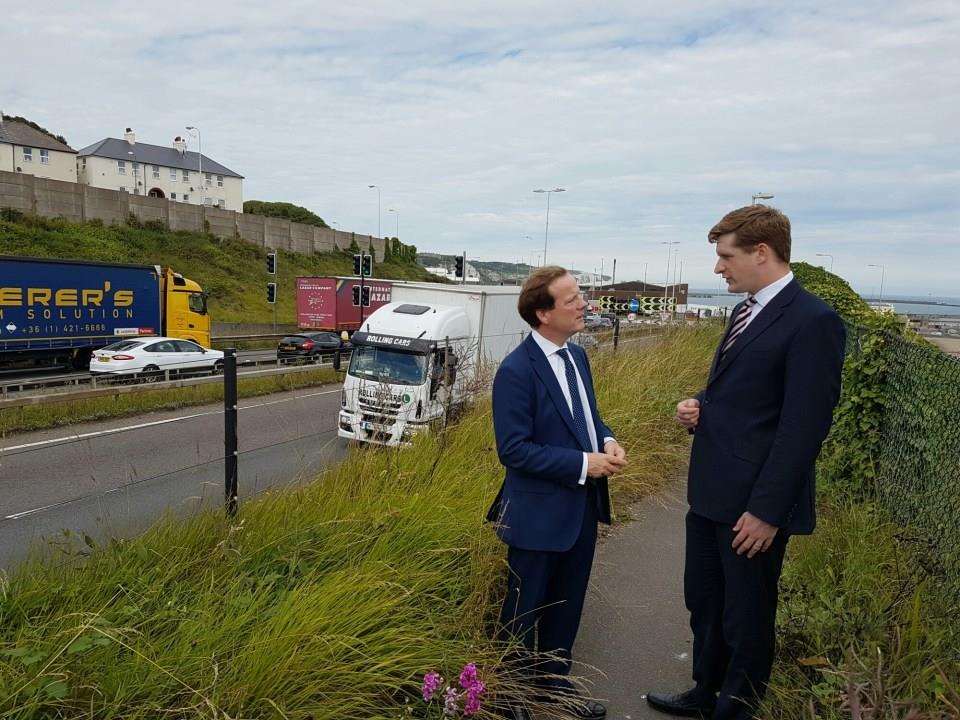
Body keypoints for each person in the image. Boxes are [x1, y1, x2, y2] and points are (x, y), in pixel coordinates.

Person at [646, 205, 846, 720]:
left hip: (752, 507)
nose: (718, 268)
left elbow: (804, 428)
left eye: (725, 256)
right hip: (710, 493)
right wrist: (699, 405)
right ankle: (704, 691)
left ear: (762, 252)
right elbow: (747, 394)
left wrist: (767, 511)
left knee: (747, 614)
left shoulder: (814, 321)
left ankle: (736, 707)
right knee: (705, 604)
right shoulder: (744, 310)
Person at [488, 266, 628, 720]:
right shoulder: (515, 370)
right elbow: (514, 451)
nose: (584, 303)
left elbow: (587, 418)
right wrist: (584, 464)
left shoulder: (578, 358)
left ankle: (552, 688)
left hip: (582, 506)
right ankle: (508, 697)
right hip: (536, 513)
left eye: (580, 295)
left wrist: (605, 440)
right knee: (523, 607)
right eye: (572, 299)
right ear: (543, 313)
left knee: (568, 602)